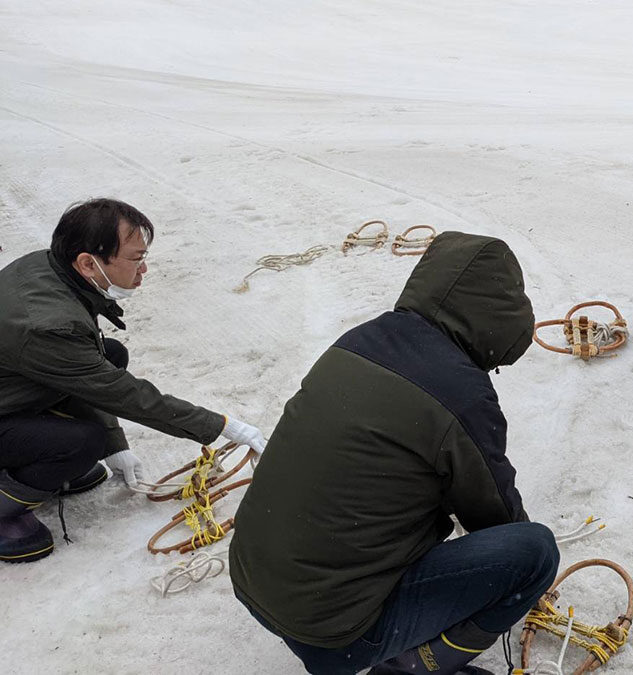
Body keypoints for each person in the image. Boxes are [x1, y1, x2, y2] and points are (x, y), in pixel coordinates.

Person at [230, 231, 559, 675]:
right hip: (335, 635)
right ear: (496, 315)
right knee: (534, 553)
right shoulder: (461, 393)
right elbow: (494, 516)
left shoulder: (359, 340)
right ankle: (413, 665)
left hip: (254, 584)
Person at [0, 198, 268, 563]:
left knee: (110, 354)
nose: (144, 269)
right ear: (87, 262)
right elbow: (122, 394)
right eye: (135, 258)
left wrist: (117, 446)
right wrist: (221, 425)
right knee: (82, 443)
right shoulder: (46, 323)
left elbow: (89, 373)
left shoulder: (49, 268)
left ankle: (35, 466)